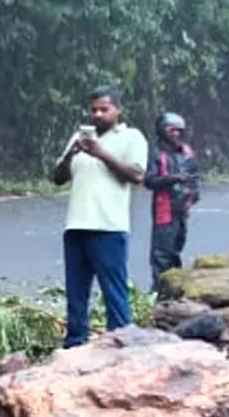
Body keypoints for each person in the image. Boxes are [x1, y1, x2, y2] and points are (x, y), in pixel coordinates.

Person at [48, 88, 150, 347]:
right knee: (76, 294)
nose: (98, 114)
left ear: (118, 110)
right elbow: (57, 178)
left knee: (114, 292)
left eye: (104, 109)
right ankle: (75, 344)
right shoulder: (78, 138)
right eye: (94, 109)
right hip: (76, 225)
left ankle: (121, 344)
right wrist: (73, 152)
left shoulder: (131, 137)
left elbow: (137, 176)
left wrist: (100, 153)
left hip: (109, 227)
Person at [144, 112, 201, 292]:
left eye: (179, 131)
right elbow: (149, 181)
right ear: (162, 131)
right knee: (161, 253)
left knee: (176, 249)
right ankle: (159, 292)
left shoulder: (186, 152)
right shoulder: (156, 153)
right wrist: (173, 178)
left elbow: (195, 178)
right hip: (164, 209)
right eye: (171, 130)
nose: (175, 134)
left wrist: (192, 200)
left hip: (181, 209)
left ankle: (174, 289)